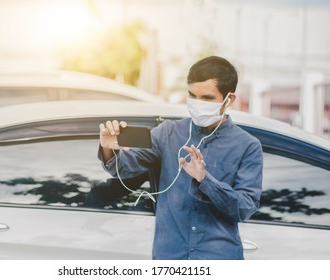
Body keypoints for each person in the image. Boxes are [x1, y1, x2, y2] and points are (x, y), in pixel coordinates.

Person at [98, 56, 263, 260]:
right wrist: (109, 148)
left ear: (229, 100)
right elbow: (123, 168)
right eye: (193, 96)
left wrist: (205, 180)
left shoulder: (247, 146)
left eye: (207, 98)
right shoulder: (168, 133)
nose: (198, 104)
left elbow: (245, 208)